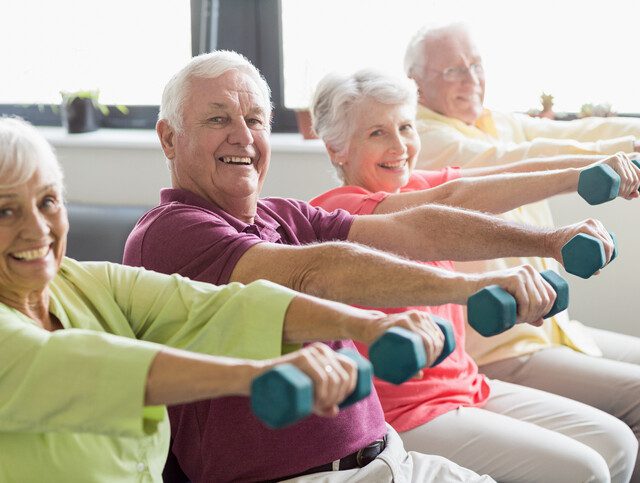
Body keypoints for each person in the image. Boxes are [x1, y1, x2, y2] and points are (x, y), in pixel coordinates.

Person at [123, 50, 617, 482]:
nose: (242, 137)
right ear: (169, 139)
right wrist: (471, 285)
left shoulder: (285, 214)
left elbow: (417, 228)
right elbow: (309, 272)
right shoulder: (170, 231)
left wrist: (550, 240)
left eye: (254, 120)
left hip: (387, 458)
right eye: (217, 120)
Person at [0, 116, 460, 482]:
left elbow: (221, 306)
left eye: (48, 203)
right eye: (6, 210)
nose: (37, 230)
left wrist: (367, 326)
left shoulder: (81, 283)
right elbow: (90, 366)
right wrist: (260, 374)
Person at [309, 68, 639, 483]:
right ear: (336, 148)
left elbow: (510, 172)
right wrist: (553, 233)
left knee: (617, 443)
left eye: (406, 127)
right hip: (403, 413)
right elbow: (453, 198)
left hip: (466, 385)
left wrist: (602, 164)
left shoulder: (411, 187)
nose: (400, 146)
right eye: (377, 133)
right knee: (585, 469)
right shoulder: (338, 212)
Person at [405, 23, 640, 482]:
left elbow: (586, 126)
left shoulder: (495, 120)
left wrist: (630, 138)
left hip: (552, 329)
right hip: (500, 344)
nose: (470, 78)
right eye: (454, 69)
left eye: (476, 65)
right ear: (417, 84)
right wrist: (606, 158)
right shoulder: (422, 138)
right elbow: (524, 157)